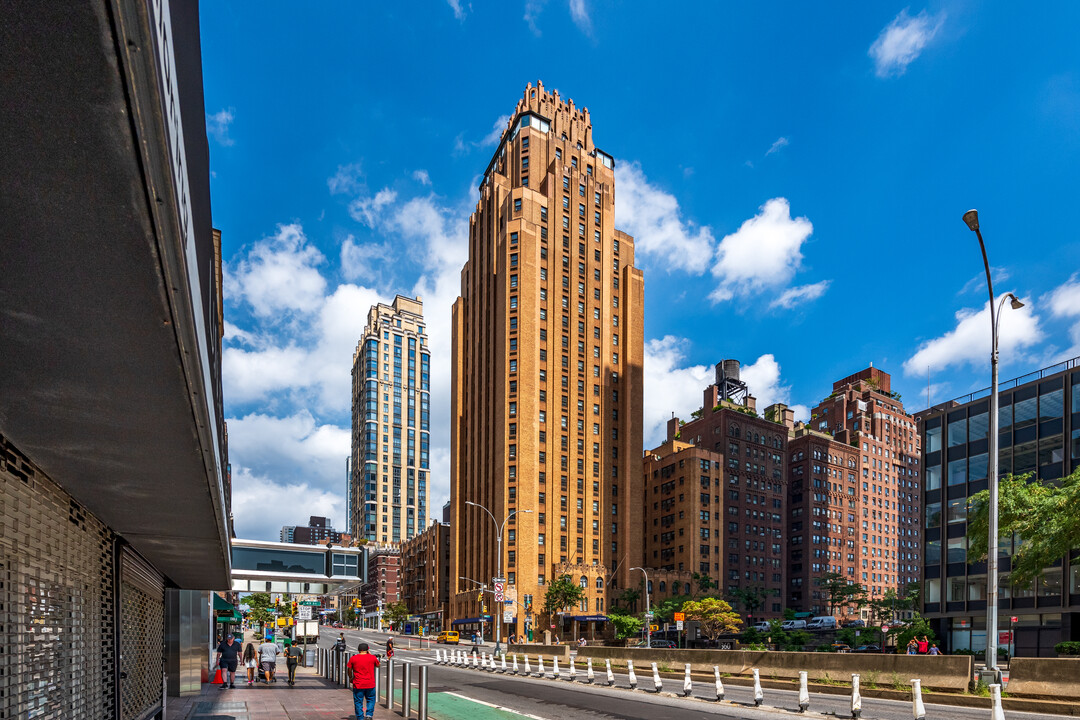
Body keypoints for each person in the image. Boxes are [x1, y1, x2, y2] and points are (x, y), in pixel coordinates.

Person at [347, 642, 381, 720]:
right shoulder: (372, 657)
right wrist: (370, 654)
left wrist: (351, 677)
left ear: (358, 650)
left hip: (358, 684)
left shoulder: (353, 658)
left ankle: (360, 717)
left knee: (358, 701)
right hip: (370, 684)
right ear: (367, 650)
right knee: (371, 700)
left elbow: (349, 669)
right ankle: (369, 715)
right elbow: (378, 665)